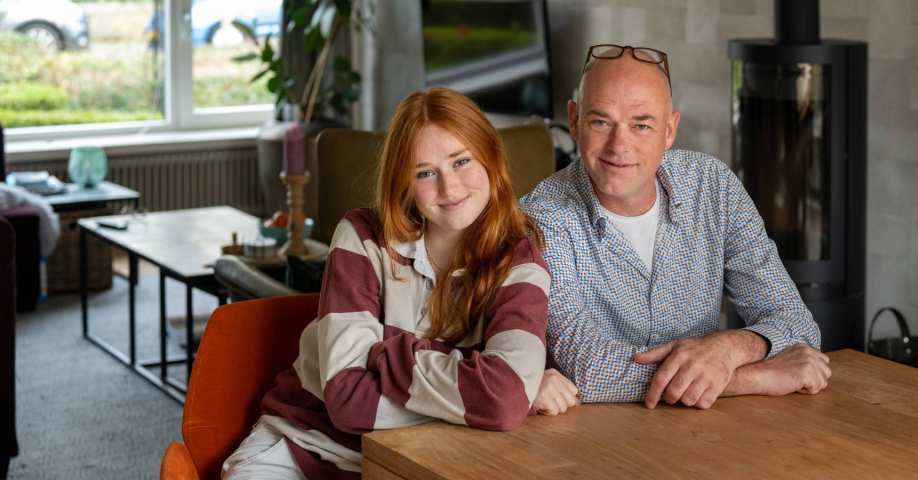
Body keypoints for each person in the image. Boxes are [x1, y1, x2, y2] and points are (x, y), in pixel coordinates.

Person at [222, 88, 553, 479]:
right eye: (425, 172)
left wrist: (385, 356)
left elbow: (502, 401)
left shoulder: (520, 262)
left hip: (418, 461)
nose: (449, 188)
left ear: (491, 159)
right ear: (404, 182)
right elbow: (345, 400)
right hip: (301, 445)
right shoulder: (362, 236)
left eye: (462, 161)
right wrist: (483, 396)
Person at [521, 44, 831, 412]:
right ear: (573, 121)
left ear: (669, 130)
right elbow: (587, 369)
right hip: (590, 442)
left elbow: (796, 321)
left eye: (642, 125)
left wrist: (729, 348)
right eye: (600, 122)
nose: (620, 145)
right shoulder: (541, 218)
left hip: (710, 430)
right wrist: (756, 378)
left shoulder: (713, 186)